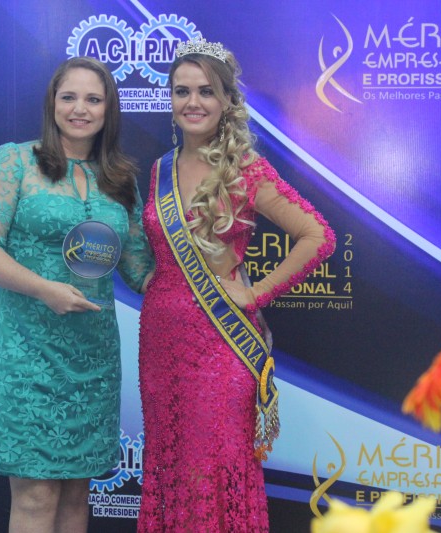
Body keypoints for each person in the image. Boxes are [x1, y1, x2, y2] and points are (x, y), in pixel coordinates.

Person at [137, 37, 336, 532]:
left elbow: (318, 236)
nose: (193, 102)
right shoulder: (160, 169)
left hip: (220, 345)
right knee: (172, 466)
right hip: (160, 344)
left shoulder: (244, 170)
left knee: (214, 469)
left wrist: (254, 292)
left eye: (206, 91)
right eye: (182, 91)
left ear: (227, 101)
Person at [0, 56, 153, 533]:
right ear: (52, 103)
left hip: (93, 358)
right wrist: (45, 289)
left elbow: (140, 269)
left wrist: (208, 283)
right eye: (69, 97)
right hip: (26, 353)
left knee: (75, 496)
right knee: (36, 495)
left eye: (93, 99)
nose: (80, 109)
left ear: (109, 109)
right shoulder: (15, 161)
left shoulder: (120, 179)